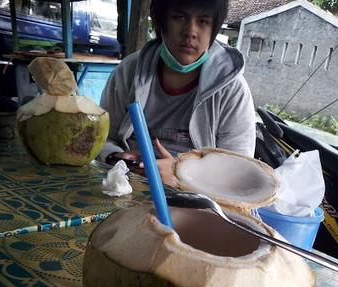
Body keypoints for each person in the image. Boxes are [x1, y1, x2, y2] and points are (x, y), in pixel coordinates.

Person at [99, 0, 256, 186]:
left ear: (214, 30)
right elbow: (103, 136)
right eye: (179, 17)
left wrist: (183, 176)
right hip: (126, 185)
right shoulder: (129, 72)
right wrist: (115, 158)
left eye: (203, 21)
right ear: (161, 22)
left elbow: (238, 170)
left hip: (197, 197)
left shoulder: (231, 90)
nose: (191, 31)